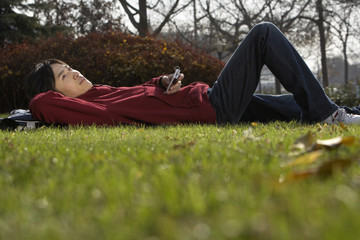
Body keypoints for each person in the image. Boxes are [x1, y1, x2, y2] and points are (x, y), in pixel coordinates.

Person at [24, 22, 360, 126]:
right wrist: (26, 113)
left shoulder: (102, 93)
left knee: (293, 107)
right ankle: (330, 115)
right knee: (264, 34)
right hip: (212, 107)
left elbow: (142, 94)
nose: (75, 73)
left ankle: (337, 113)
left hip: (205, 99)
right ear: (57, 94)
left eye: (71, 67)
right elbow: (41, 102)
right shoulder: (84, 109)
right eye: (65, 75)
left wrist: (162, 83)